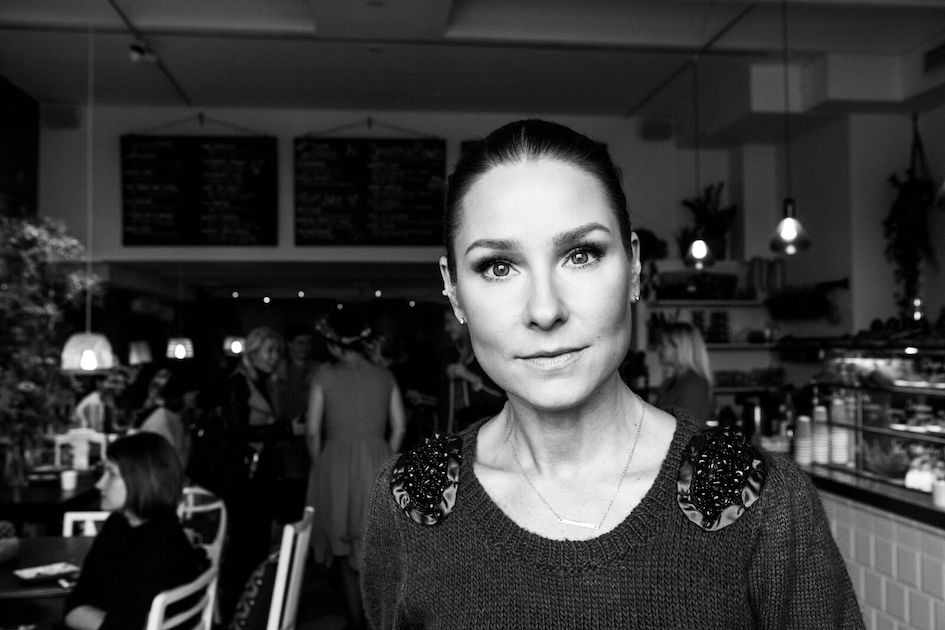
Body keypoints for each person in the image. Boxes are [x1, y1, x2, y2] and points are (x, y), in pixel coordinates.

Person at [360, 119, 864, 628]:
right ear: (453, 291)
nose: (544, 310)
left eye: (580, 255)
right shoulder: (411, 503)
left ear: (634, 267)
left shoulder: (760, 503)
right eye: (498, 267)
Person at [305, 310, 406, 630]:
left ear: (336, 345)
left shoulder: (324, 376)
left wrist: (321, 463)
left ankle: (356, 622)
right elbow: (400, 428)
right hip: (377, 462)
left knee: (343, 549)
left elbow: (312, 432)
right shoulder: (384, 376)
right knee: (373, 548)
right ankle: (377, 620)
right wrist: (384, 455)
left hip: (335, 464)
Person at [62, 432, 207, 630]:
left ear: (141, 479)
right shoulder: (119, 524)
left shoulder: (160, 547)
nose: (99, 484)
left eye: (111, 474)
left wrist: (79, 612)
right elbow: (79, 600)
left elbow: (120, 624)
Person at [219, 325, 287, 622]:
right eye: (269, 351)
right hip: (242, 476)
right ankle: (234, 612)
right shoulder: (238, 383)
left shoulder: (265, 382)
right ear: (253, 352)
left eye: (277, 352)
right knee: (243, 546)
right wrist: (284, 429)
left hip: (261, 474)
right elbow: (236, 431)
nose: (274, 357)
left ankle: (252, 612)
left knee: (257, 544)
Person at [274, 322, 319, 524]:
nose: (305, 347)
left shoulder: (317, 369)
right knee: (289, 488)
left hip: (310, 435)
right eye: (300, 343)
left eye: (308, 343)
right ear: (289, 344)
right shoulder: (279, 369)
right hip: (286, 437)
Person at [653, 321, 715, 422]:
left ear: (679, 348)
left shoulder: (693, 384)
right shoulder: (672, 381)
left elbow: (687, 427)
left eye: (663, 345)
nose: (658, 349)